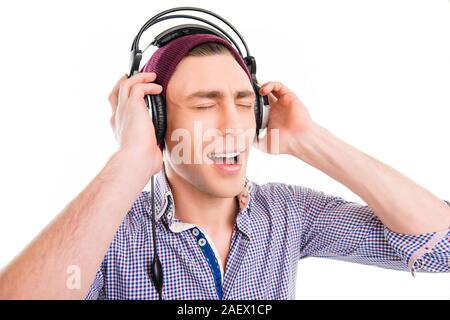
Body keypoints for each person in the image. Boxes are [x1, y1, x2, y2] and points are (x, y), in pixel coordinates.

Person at [0, 34, 449, 300]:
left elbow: (440, 248)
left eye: (244, 103)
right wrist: (128, 162)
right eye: (204, 104)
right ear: (156, 121)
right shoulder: (108, 232)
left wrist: (310, 140)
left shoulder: (289, 214)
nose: (233, 126)